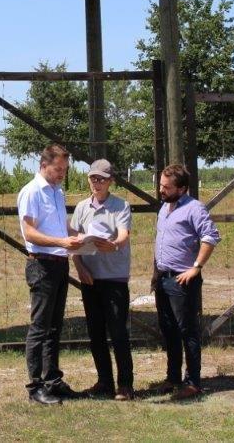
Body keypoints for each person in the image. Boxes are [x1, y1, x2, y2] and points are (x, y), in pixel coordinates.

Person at [17, 143, 83, 405]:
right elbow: (29, 233)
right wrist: (62, 242)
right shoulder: (31, 192)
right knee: (40, 327)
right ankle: (35, 388)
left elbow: (60, 225)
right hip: (42, 265)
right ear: (44, 166)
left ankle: (52, 380)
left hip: (58, 263)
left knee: (55, 326)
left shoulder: (58, 192)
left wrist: (77, 236)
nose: (62, 174)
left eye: (65, 170)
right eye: (58, 169)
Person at [152, 163, 221, 400]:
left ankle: (192, 382)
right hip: (163, 279)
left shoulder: (195, 209)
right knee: (168, 330)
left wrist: (196, 267)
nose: (161, 190)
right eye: (161, 185)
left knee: (187, 331)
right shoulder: (165, 207)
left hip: (183, 280)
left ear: (181, 188)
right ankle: (173, 378)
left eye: (166, 187)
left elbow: (210, 237)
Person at [70, 159, 134, 400]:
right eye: (93, 178)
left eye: (102, 179)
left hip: (114, 277)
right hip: (90, 277)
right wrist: (78, 266)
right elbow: (75, 241)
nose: (97, 183)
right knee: (96, 333)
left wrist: (114, 245)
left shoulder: (121, 205)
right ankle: (104, 382)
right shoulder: (81, 207)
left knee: (118, 333)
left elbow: (123, 234)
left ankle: (125, 385)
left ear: (111, 182)